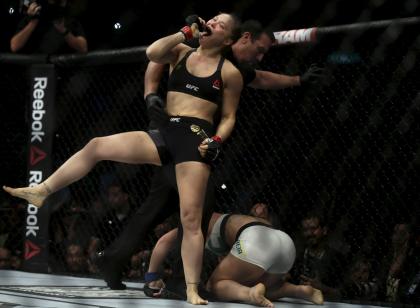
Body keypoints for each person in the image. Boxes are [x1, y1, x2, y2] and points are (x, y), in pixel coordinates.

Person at [3, 12, 243, 305]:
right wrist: (185, 32)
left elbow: (229, 116)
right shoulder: (181, 52)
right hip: (165, 131)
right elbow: (152, 52)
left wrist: (216, 140)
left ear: (228, 39)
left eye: (220, 24)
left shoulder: (229, 71)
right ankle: (43, 190)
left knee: (191, 219)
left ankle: (192, 287)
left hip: (195, 138)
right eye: (213, 18)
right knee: (97, 145)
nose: (213, 23)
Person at [94, 18, 324, 291]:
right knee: (197, 211)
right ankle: (180, 280)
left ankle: (115, 258)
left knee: (159, 206)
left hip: (190, 144)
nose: (259, 57)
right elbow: (156, 58)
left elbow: (261, 78)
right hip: (174, 136)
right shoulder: (204, 40)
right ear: (244, 38)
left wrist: (297, 80)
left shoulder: (232, 66)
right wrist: (149, 95)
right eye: (259, 50)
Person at [144, 212, 324, 307]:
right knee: (263, 287)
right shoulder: (235, 219)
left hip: (255, 241)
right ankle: (301, 291)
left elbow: (164, 241)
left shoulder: (200, 220)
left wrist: (151, 277)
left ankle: (250, 295)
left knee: (214, 285)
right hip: (285, 245)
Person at [10, 0, 87, 54]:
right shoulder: (33, 17)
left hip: (63, 70)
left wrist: (63, 31)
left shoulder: (68, 19)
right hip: (35, 67)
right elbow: (14, 46)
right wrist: (33, 22)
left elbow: (83, 48)